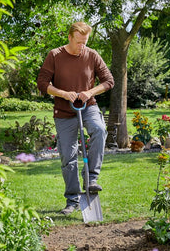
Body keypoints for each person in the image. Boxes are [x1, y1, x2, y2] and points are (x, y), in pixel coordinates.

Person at [37, 21, 114, 215]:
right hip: (64, 112)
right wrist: (63, 93)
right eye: (79, 42)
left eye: (85, 42)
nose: (82, 46)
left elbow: (108, 81)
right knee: (68, 156)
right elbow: (42, 83)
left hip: (88, 106)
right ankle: (72, 200)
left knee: (99, 129)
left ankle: (91, 178)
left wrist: (90, 92)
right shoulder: (55, 55)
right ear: (70, 37)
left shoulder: (92, 55)